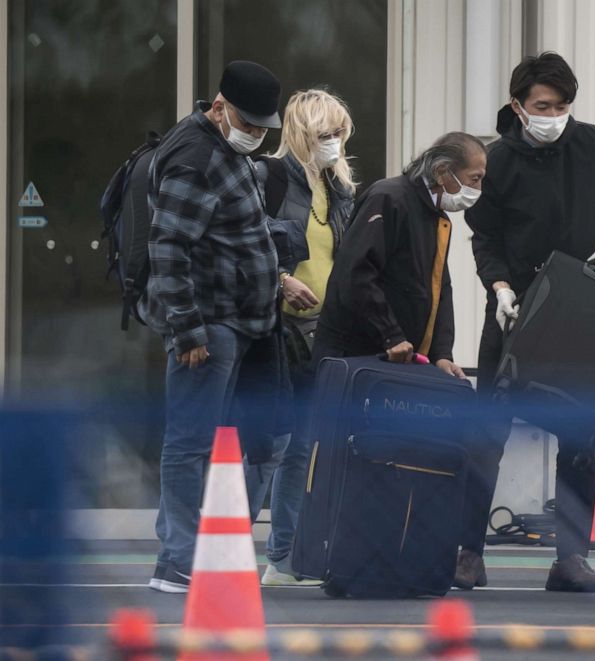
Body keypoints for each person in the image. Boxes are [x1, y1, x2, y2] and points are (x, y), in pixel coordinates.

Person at [460, 52, 595, 592]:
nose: (555, 115)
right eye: (543, 106)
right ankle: (466, 553)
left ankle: (570, 560)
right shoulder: (496, 160)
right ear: (519, 107)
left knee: (581, 434)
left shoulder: (594, 143)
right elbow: (483, 235)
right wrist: (499, 287)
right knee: (489, 430)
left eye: (563, 105)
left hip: (583, 308)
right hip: (515, 306)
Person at [142, 60, 283, 593]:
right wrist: (188, 331)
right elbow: (168, 247)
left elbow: (238, 227)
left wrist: (279, 277)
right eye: (249, 124)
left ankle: (187, 550)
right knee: (190, 443)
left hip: (242, 319)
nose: (256, 135)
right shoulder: (196, 157)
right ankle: (178, 559)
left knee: (238, 439)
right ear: (220, 107)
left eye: (262, 127)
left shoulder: (223, 148)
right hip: (212, 324)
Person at [244, 89, 357, 586]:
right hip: (276, 326)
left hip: (323, 331)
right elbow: (241, 240)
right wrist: (280, 278)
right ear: (300, 132)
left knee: (302, 445)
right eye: (323, 133)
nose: (332, 143)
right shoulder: (266, 176)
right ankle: (222, 545)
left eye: (338, 134)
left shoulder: (339, 188)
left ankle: (283, 556)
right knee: (268, 443)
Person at [310, 131, 485, 374]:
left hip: (399, 361)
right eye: (474, 179)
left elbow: (439, 288)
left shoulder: (437, 219)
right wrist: (391, 335)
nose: (478, 189)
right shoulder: (389, 198)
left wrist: (441, 354)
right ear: (443, 171)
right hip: (355, 360)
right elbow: (356, 273)